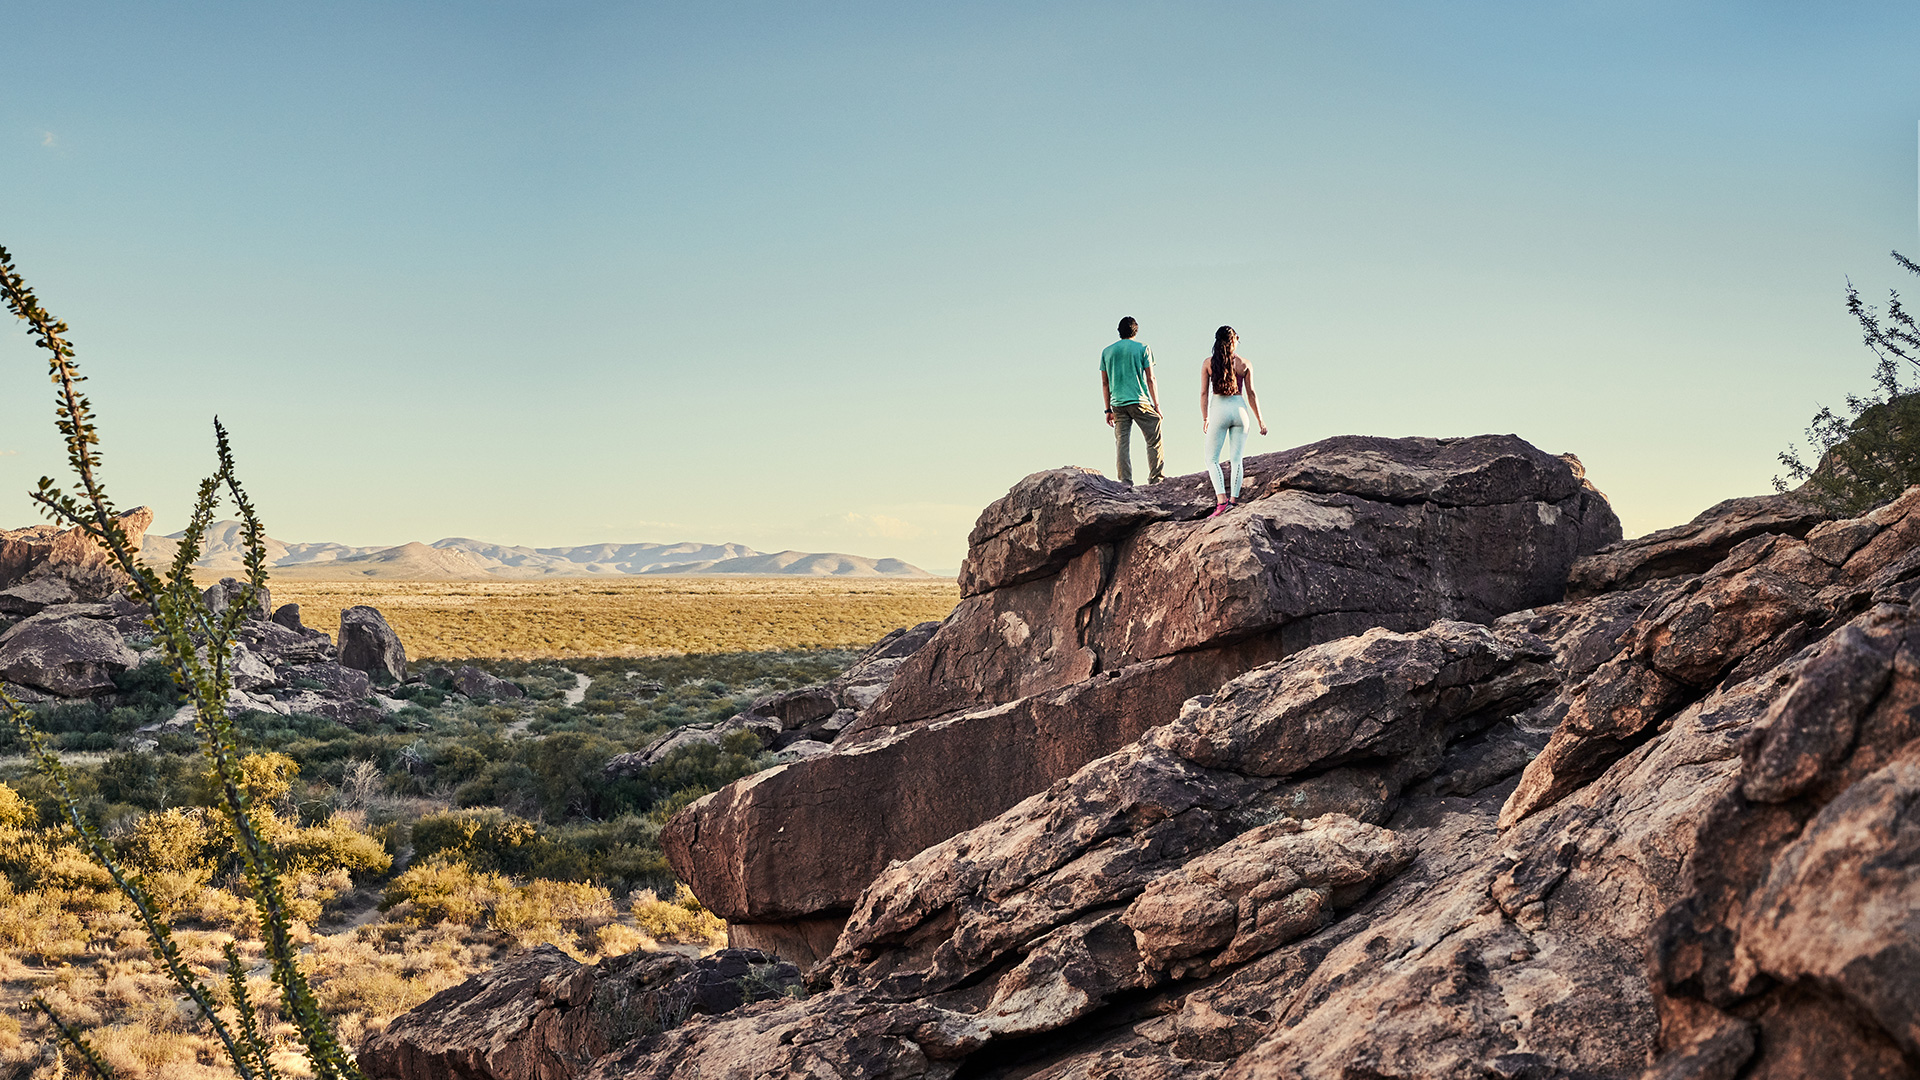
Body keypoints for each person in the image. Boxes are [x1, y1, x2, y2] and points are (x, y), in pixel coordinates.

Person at [1199, 325, 1267, 517]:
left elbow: (1204, 393)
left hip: (1219, 410)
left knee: (1212, 459)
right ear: (1234, 340)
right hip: (1240, 411)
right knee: (1237, 459)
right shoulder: (1245, 363)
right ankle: (1234, 501)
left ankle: (1222, 503)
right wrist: (1260, 421)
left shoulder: (1208, 363)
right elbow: (1252, 394)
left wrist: (1205, 417)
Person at [1099, 316, 1165, 486]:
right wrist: (1156, 406)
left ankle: (1125, 481)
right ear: (1136, 330)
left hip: (1118, 404)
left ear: (1119, 331)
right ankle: (1156, 478)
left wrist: (1107, 410)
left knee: (1122, 443)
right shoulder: (1143, 348)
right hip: (1139, 400)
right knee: (1153, 438)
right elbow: (1151, 378)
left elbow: (1105, 383)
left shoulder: (1107, 352)